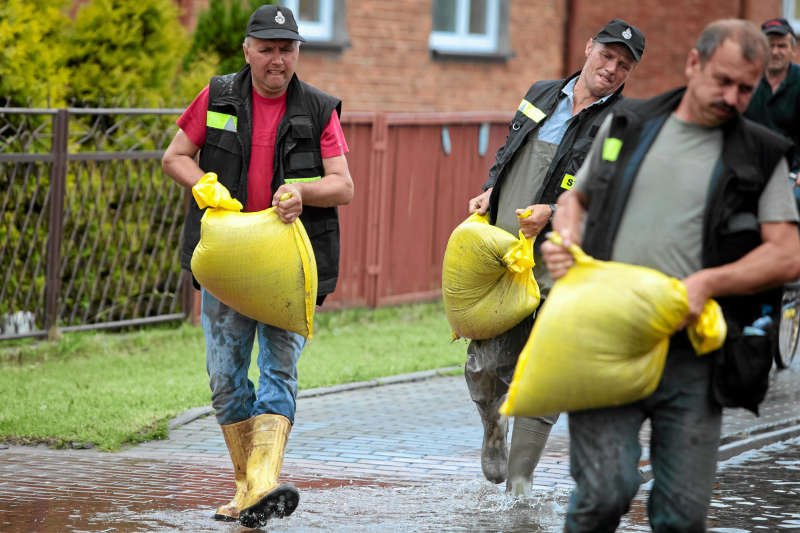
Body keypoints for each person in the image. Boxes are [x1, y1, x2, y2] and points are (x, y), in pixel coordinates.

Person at [542, 19, 800, 532]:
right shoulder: (629, 126)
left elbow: (787, 254)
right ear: (693, 64)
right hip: (610, 339)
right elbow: (578, 198)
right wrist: (565, 235)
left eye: (745, 89)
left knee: (682, 515)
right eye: (722, 81)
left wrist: (707, 284)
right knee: (604, 491)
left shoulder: (761, 154)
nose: (733, 97)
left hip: (694, 355)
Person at [162, 4, 353, 528]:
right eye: (266, 48)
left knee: (279, 372)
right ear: (248, 50)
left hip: (289, 267)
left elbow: (344, 185)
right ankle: (249, 487)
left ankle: (261, 486)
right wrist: (202, 183)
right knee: (224, 380)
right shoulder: (219, 95)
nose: (277, 60)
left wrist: (302, 191)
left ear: (297, 53)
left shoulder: (317, 109)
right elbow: (175, 156)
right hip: (228, 263)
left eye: (286, 49)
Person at [464, 19, 645, 495]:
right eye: (606, 55)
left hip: (565, 260)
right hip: (506, 251)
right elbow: (511, 149)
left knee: (546, 366)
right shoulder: (541, 93)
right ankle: (492, 427)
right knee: (482, 367)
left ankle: (520, 482)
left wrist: (554, 209)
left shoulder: (620, 124)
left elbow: (609, 191)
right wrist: (490, 189)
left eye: (623, 65)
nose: (611, 68)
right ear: (589, 48)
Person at [744, 17, 800, 187]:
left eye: (782, 46)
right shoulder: (745, 80)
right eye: (770, 45)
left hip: (791, 173)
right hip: (750, 169)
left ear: (793, 50)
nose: (775, 52)